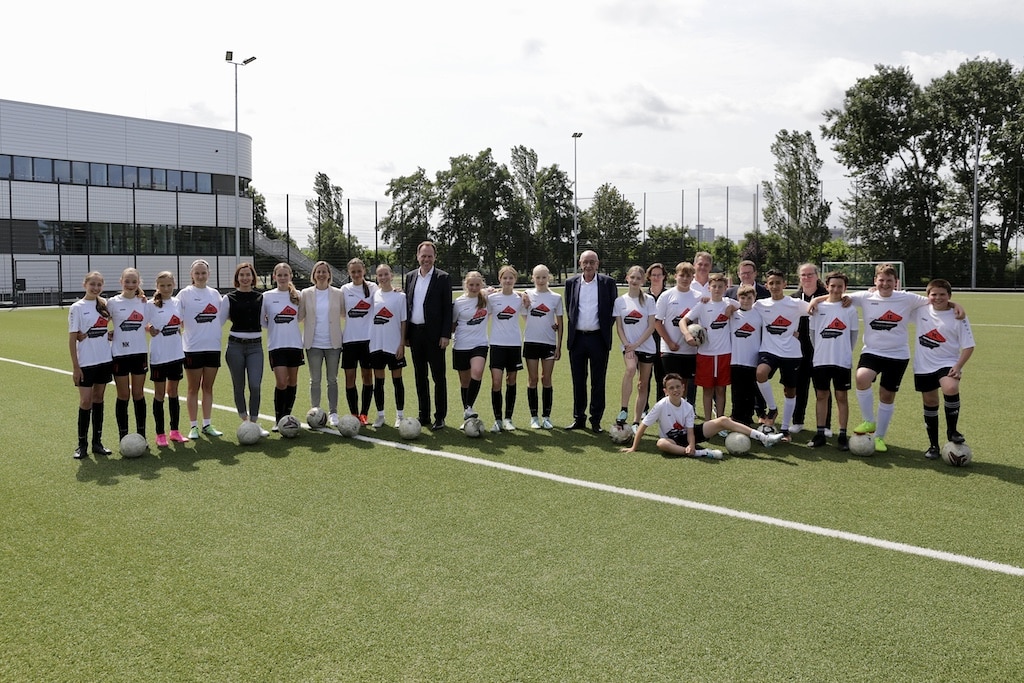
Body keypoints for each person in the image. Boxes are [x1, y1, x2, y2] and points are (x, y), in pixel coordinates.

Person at [843, 263, 964, 452]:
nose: (885, 284)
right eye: (881, 280)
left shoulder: (907, 298)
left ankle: (880, 437)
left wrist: (955, 304)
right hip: (872, 351)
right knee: (861, 377)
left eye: (889, 281)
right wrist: (818, 301)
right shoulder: (866, 297)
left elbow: (935, 299)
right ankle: (868, 421)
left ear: (896, 282)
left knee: (887, 395)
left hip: (898, 355)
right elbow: (839, 297)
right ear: (875, 281)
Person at [620, 373, 784, 458]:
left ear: (683, 388)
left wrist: (691, 444)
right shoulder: (661, 405)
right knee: (661, 443)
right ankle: (703, 453)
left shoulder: (687, 406)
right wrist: (634, 447)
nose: (675, 390)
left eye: (678, 387)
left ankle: (763, 437)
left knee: (723, 420)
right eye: (671, 388)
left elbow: (691, 431)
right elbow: (643, 425)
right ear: (665, 391)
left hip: (690, 435)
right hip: (673, 440)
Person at [913, 279, 974, 460]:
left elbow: (969, 346)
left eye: (942, 294)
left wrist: (958, 366)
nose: (938, 298)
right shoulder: (920, 310)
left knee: (951, 387)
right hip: (923, 365)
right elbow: (898, 301)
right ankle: (933, 446)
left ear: (949, 296)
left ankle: (952, 430)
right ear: (928, 296)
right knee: (930, 402)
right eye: (934, 294)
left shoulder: (958, 317)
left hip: (948, 362)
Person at [563, 249, 618, 432]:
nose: (588, 265)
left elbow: (612, 312)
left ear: (597, 263)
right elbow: (569, 309)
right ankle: (579, 418)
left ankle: (596, 420)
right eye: (585, 262)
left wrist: (601, 330)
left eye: (592, 262)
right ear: (580, 263)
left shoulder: (607, 283)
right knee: (578, 381)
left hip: (598, 339)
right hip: (577, 339)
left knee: (598, 381)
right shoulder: (571, 283)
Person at [753, 269, 810, 441]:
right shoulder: (760, 305)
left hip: (792, 353)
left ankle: (785, 429)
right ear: (766, 286)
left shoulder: (795, 303)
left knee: (790, 391)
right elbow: (740, 307)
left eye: (778, 282)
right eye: (771, 283)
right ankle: (772, 408)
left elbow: (816, 308)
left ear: (785, 284)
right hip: (769, 350)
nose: (775, 286)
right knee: (760, 373)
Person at [806, 271, 859, 450]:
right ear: (827, 286)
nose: (836, 289)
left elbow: (853, 336)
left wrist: (843, 351)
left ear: (845, 288)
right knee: (821, 395)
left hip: (842, 361)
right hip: (821, 360)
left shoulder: (849, 309)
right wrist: (822, 350)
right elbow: (812, 335)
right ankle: (820, 433)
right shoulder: (818, 308)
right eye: (833, 286)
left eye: (840, 286)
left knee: (841, 396)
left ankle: (842, 435)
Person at [405, 241, 453, 431]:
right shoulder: (410, 277)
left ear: (435, 257)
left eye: (430, 256)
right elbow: (408, 305)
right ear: (418, 256)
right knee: (419, 376)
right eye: (423, 256)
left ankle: (440, 417)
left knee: (438, 377)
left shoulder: (443, 277)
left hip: (435, 336)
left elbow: (447, 309)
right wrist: (407, 335)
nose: (426, 259)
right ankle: (423, 415)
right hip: (415, 334)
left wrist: (445, 334)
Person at [68, 271, 114, 458]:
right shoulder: (77, 307)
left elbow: (104, 327)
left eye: (99, 285)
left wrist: (107, 335)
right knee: (85, 401)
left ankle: (97, 443)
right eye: (92, 284)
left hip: (104, 360)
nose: (95, 288)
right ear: (84, 284)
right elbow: (72, 340)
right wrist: (76, 367)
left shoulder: (104, 305)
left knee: (99, 399)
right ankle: (82, 445)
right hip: (86, 363)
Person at [178, 259, 225, 439]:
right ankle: (193, 426)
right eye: (197, 273)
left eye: (203, 273)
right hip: (192, 348)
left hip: (213, 347)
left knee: (208, 387)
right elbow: (176, 317)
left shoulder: (215, 294)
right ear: (192, 275)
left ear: (208, 274)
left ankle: (207, 424)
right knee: (192, 388)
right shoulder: (184, 294)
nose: (200, 276)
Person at [146, 271, 189, 447]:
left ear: (174, 284)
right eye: (162, 285)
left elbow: (182, 323)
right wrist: (149, 328)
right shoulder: (149, 305)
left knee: (173, 393)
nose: (166, 288)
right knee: (159, 394)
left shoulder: (178, 303)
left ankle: (175, 431)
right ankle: (160, 433)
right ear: (157, 286)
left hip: (176, 354)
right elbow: (144, 323)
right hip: (158, 355)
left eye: (169, 285)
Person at [224, 262, 267, 436]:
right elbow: (218, 320)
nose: (245, 278)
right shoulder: (228, 298)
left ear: (253, 277)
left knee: (255, 385)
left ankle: (254, 423)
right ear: (237, 278)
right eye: (241, 275)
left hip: (255, 347)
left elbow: (266, 321)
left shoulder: (261, 297)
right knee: (239, 386)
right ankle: (245, 421)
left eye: (248, 275)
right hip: (235, 346)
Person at [299, 261, 344, 427]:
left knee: (332, 379)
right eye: (318, 271)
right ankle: (315, 411)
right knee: (315, 380)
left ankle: (333, 413)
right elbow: (299, 315)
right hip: (313, 343)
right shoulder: (306, 293)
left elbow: (346, 313)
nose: (321, 274)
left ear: (329, 275)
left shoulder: (338, 293)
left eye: (324, 271)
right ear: (314, 274)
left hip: (333, 343)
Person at [613, 265, 657, 432]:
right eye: (632, 277)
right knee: (630, 370)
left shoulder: (649, 300)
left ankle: (636, 420)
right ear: (627, 278)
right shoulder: (620, 301)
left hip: (646, 346)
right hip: (629, 346)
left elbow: (651, 326)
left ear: (643, 281)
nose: (634, 281)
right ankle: (623, 409)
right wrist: (627, 345)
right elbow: (619, 327)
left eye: (638, 278)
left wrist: (637, 344)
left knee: (642, 384)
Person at [108, 267, 149, 442]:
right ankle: (123, 436)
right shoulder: (112, 302)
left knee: (138, 394)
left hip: (139, 353)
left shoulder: (144, 303)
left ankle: (142, 435)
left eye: (134, 281)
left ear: (138, 283)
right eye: (127, 281)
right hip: (120, 354)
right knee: (123, 395)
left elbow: (149, 324)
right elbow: (101, 321)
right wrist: (107, 333)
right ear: (121, 281)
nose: (130, 284)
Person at [654, 262, 702, 406]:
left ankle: (685, 411)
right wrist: (669, 342)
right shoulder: (666, 296)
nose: (685, 279)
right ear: (675, 276)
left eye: (688, 276)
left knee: (685, 384)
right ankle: (669, 410)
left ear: (693, 278)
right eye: (682, 275)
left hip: (690, 350)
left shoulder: (699, 297)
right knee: (671, 383)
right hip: (670, 349)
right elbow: (657, 322)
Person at [262, 262, 304, 427]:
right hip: (276, 345)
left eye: (285, 275)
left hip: (294, 345)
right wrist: (275, 327)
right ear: (274, 277)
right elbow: (263, 321)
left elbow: (300, 318)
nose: (282, 278)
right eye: (279, 275)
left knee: (292, 381)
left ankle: (288, 417)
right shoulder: (267, 296)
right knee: (281, 382)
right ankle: (278, 419)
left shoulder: (298, 295)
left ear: (290, 276)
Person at [522, 264, 563, 430]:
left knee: (546, 379)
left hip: (549, 343)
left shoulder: (556, 298)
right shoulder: (527, 295)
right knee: (532, 379)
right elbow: (524, 315)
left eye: (543, 277)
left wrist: (559, 346)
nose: (540, 280)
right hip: (531, 342)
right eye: (537, 277)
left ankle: (546, 416)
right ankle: (534, 417)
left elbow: (560, 323)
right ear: (532, 278)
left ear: (549, 278)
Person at [791, 262, 830, 436]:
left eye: (810, 275)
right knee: (800, 387)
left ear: (817, 276)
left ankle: (826, 425)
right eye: (803, 275)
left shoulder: (827, 296)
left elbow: (841, 295)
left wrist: (816, 299)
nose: (806, 278)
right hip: (799, 351)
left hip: (822, 350)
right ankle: (797, 421)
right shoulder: (793, 298)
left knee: (822, 389)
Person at [368, 264, 407, 428]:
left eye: (385, 274)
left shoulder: (400, 297)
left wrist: (402, 344)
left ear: (391, 275)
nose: (383, 278)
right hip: (376, 345)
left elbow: (403, 321)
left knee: (397, 380)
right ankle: (380, 415)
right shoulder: (372, 295)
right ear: (376, 277)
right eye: (379, 275)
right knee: (379, 382)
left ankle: (400, 415)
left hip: (394, 345)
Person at [487, 265, 526, 432]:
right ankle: (497, 419)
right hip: (496, 344)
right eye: (505, 278)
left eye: (511, 278)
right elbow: (482, 311)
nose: (508, 281)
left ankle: (508, 418)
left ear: (515, 280)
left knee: (511, 381)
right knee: (496, 382)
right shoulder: (492, 298)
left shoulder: (520, 299)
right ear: (500, 280)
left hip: (514, 345)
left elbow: (528, 317)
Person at [341, 258, 377, 425]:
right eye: (353, 272)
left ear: (364, 271)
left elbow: (385, 296)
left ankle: (364, 414)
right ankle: (354, 414)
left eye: (359, 271)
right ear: (349, 273)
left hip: (368, 340)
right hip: (349, 340)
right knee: (350, 378)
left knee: (367, 377)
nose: (356, 274)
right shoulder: (344, 289)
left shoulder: (372, 288)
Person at [451, 271, 490, 427]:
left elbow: (507, 292)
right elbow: (452, 325)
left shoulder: (487, 299)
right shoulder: (458, 303)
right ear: (465, 285)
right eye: (471, 285)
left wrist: (523, 295)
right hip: (461, 345)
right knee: (465, 382)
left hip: (480, 343)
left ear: (482, 285)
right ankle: (467, 413)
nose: (474, 288)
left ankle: (468, 407)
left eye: (477, 285)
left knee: (478, 372)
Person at [728, 285, 763, 427]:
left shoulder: (758, 314)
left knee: (750, 391)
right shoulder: (733, 314)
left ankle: (748, 417)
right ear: (738, 298)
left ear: (754, 298)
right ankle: (736, 416)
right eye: (743, 297)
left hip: (752, 359)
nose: (746, 301)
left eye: (749, 298)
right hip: (735, 359)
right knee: (737, 391)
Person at [643, 262, 668, 410]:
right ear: (649, 277)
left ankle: (660, 408)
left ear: (664, 276)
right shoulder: (643, 296)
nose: (656, 277)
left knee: (662, 377)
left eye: (659, 274)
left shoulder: (669, 296)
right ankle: (644, 408)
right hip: (646, 341)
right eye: (654, 275)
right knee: (644, 379)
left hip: (664, 342)